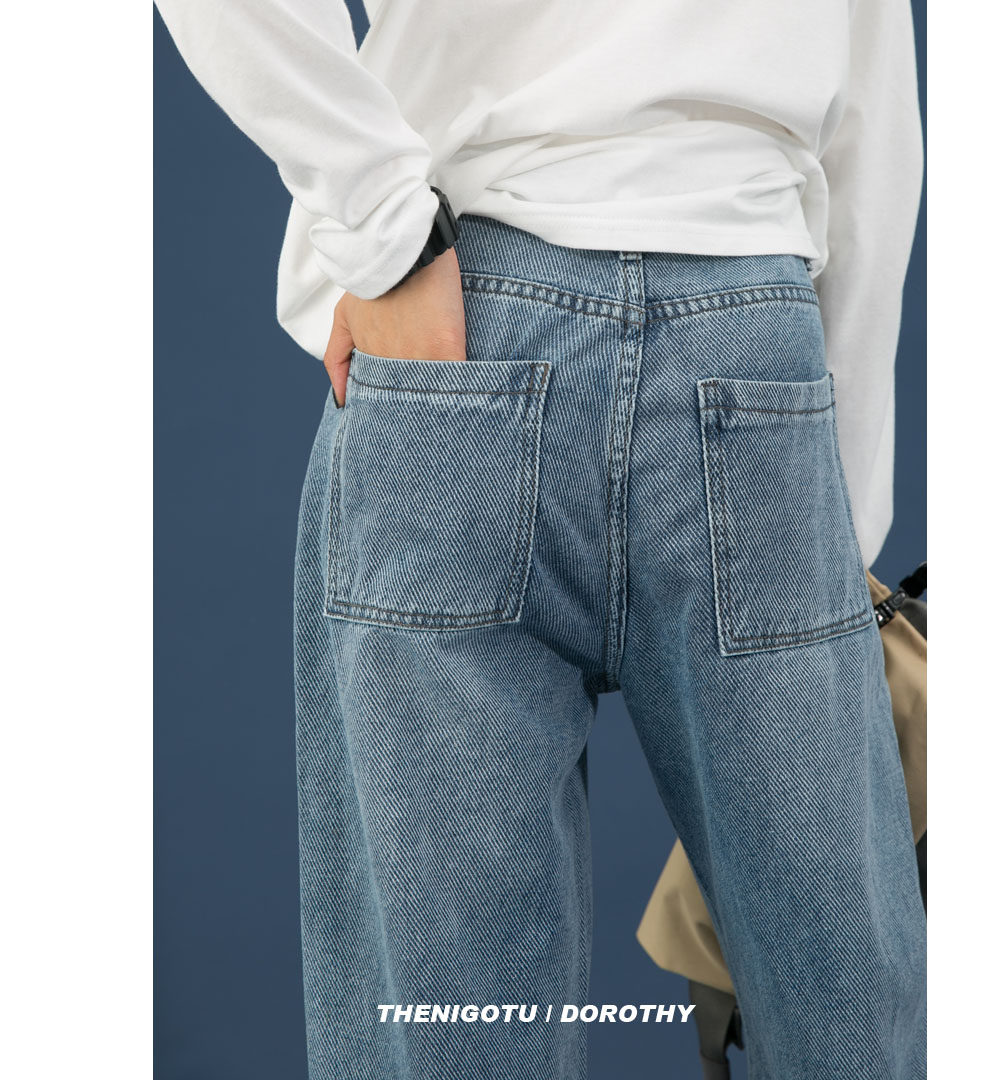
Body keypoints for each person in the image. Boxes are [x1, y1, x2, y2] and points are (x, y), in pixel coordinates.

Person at [153, 2, 926, 1078]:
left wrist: (385, 232)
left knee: (450, 1038)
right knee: (849, 1025)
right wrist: (840, 515)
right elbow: (874, 102)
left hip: (466, 328)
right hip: (746, 336)